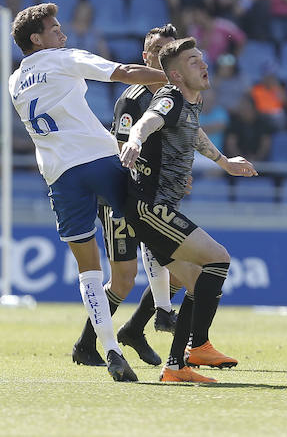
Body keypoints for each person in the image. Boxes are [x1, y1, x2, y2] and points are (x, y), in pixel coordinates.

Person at [8, 2, 168, 382]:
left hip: (60, 176)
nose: (62, 33)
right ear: (37, 39)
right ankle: (163, 309)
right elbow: (126, 72)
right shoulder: (62, 58)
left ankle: (109, 347)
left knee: (89, 271)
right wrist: (175, 77)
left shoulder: (15, 81)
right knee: (155, 226)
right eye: (55, 28)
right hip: (100, 160)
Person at [120, 37, 260, 383]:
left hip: (156, 207)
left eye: (201, 57)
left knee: (197, 279)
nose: (204, 63)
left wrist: (224, 161)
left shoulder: (190, 104)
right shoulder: (169, 98)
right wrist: (135, 139)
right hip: (150, 207)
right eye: (193, 60)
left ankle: (175, 367)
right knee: (218, 258)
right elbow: (150, 120)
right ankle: (196, 347)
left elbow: (193, 132)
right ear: (176, 75)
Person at [71, 24, 186, 368]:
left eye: (171, 52)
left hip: (156, 196)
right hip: (123, 196)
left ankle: (136, 327)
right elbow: (122, 149)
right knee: (123, 278)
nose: (164, 59)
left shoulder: (175, 95)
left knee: (181, 268)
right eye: (157, 52)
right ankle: (87, 344)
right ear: (146, 57)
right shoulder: (132, 99)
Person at [224, 95, 275, 162]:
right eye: (242, 108)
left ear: (253, 109)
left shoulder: (263, 123)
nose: (243, 111)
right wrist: (242, 160)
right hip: (237, 163)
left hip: (260, 163)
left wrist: (257, 158)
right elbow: (231, 145)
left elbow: (266, 145)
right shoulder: (234, 122)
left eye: (246, 108)